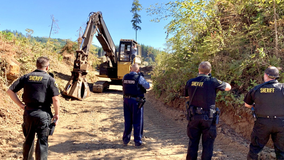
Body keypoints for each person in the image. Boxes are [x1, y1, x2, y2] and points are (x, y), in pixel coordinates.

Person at [7, 56, 60, 160]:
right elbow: (56, 100)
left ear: (36, 65)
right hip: (43, 114)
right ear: (47, 67)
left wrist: (21, 105)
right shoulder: (49, 79)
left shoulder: (26, 77)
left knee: (28, 140)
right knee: (42, 141)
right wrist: (57, 114)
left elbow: (10, 91)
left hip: (28, 113)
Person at [184, 61, 231, 160]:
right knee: (208, 145)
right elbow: (228, 88)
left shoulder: (190, 82)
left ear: (199, 70)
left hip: (193, 117)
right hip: (208, 118)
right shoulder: (213, 81)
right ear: (210, 71)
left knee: (192, 143)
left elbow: (187, 96)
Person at [244, 66, 284, 160]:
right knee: (281, 151)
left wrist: (256, 106)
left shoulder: (257, 89)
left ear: (266, 75)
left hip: (262, 123)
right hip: (281, 123)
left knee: (255, 149)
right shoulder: (282, 88)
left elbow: (247, 104)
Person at [122, 63, 150, 146]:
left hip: (126, 100)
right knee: (137, 121)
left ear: (130, 69)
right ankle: (137, 141)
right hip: (136, 102)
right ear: (138, 70)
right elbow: (147, 86)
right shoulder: (139, 77)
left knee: (127, 121)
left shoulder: (125, 76)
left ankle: (125, 140)